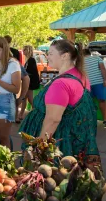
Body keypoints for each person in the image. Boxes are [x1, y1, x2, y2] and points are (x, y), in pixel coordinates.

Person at [20, 40, 100, 169]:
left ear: (65, 56)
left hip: (60, 147)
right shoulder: (80, 76)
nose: (47, 56)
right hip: (76, 143)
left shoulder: (61, 84)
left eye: (51, 53)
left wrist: (38, 148)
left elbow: (53, 120)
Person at [84, 47, 106, 127]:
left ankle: (90, 120)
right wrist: (105, 80)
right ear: (89, 53)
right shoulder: (97, 58)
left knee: (89, 103)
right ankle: (105, 119)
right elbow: (103, 69)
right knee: (102, 101)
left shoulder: (80, 61)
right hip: (99, 82)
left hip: (87, 84)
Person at [18, 45, 40, 120]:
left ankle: (36, 112)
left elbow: (31, 72)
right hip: (29, 82)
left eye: (24, 50)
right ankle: (21, 114)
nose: (23, 51)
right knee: (25, 98)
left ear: (27, 51)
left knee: (29, 99)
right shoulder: (29, 60)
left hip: (31, 82)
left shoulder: (31, 60)